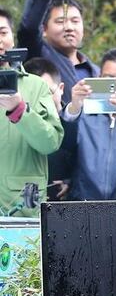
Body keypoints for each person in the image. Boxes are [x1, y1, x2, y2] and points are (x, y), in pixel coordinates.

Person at [61, 48, 116, 201]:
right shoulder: (81, 116)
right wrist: (74, 107)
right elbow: (63, 146)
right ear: (99, 78)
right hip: (83, 208)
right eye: (109, 80)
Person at [0, 8, 63, 217]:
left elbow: (50, 142)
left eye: (3, 32)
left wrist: (20, 111)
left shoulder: (35, 87)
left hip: (21, 209)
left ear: (12, 37)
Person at [17, 0, 99, 104]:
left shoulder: (97, 71)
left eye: (75, 21)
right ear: (44, 29)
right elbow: (28, 28)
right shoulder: (39, 54)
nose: (69, 27)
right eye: (60, 22)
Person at [24, 56, 70, 200]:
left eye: (47, 92)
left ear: (61, 88)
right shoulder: (18, 121)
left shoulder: (75, 120)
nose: (41, 100)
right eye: (34, 94)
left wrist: (71, 182)